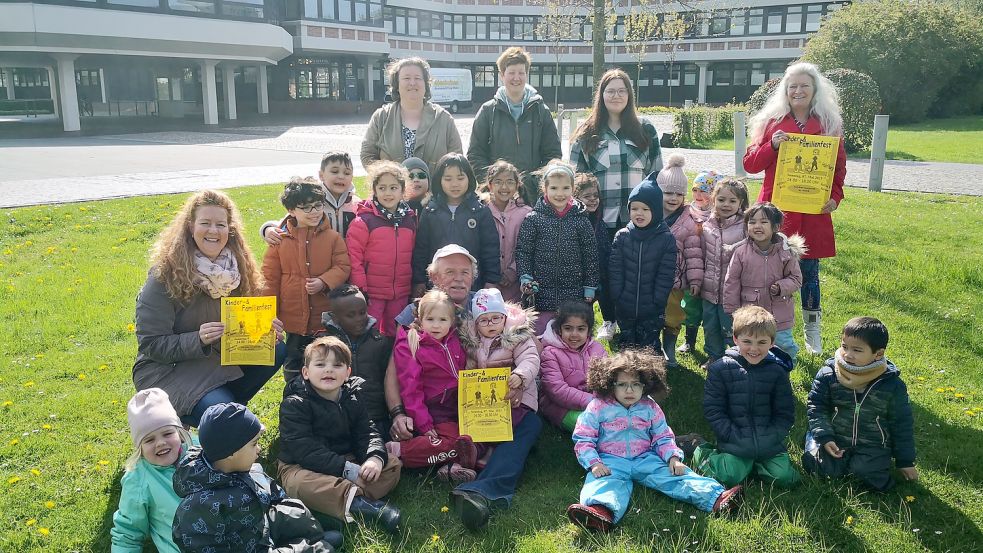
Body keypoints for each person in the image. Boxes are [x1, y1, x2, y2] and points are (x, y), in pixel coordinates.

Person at [133, 190, 283, 427]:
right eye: (205, 223)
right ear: (191, 227)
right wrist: (198, 338)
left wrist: (263, 330)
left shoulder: (237, 268)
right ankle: (216, 415)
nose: (213, 231)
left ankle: (227, 410)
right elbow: (151, 344)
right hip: (171, 369)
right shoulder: (164, 275)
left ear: (229, 230)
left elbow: (241, 325)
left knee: (279, 350)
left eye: (220, 224)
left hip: (219, 362)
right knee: (230, 423)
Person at [566, 350, 743, 532]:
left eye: (636, 384)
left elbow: (663, 436)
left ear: (646, 385)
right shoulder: (598, 407)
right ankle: (599, 513)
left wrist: (673, 458)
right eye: (622, 384)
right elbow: (584, 437)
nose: (629, 390)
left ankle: (717, 498)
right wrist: (594, 463)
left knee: (674, 476)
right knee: (603, 482)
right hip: (610, 460)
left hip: (645, 457)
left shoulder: (649, 406)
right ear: (610, 385)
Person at [744, 62, 847, 356]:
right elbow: (750, 164)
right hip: (776, 213)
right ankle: (766, 329)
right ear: (785, 91)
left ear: (815, 90)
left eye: (804, 85)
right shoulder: (771, 122)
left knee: (809, 272)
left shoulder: (829, 124)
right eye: (792, 86)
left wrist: (835, 198)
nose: (798, 91)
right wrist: (771, 147)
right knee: (768, 271)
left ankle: (811, 329)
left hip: (813, 212)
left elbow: (838, 170)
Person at [172, 403, 338, 553]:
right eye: (254, 444)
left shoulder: (248, 469)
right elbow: (198, 545)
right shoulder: (199, 506)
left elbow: (274, 493)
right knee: (323, 548)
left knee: (291, 513)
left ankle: (314, 534)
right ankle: (314, 545)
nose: (259, 449)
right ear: (231, 452)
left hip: (262, 528)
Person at [277, 337, 402, 534]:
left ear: (347, 373)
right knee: (299, 484)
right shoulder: (295, 404)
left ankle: (334, 506)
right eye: (320, 364)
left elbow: (367, 431)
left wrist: (374, 458)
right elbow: (305, 450)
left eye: (337, 365)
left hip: (345, 459)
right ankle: (368, 508)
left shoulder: (352, 395)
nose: (329, 370)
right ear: (306, 372)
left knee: (392, 464)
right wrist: (350, 471)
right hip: (303, 466)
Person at [802, 317, 917, 491]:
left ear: (878, 354)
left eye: (857, 350)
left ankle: (861, 464)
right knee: (818, 467)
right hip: (835, 438)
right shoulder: (828, 375)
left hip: (872, 445)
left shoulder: (891, 385)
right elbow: (816, 407)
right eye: (844, 346)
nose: (848, 354)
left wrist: (905, 461)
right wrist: (825, 437)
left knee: (866, 475)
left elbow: (902, 423)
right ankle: (814, 441)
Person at [693, 306, 800, 488]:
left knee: (786, 478)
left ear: (772, 342)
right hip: (735, 440)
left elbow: (785, 412)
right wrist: (731, 435)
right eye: (747, 341)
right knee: (730, 476)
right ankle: (700, 450)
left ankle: (755, 464)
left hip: (768, 442)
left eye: (761, 342)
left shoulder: (778, 372)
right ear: (735, 339)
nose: (754, 348)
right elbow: (714, 410)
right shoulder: (720, 369)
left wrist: (773, 436)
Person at [261, 177, 352, 384]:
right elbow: (269, 278)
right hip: (292, 320)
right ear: (291, 210)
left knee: (325, 360)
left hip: (324, 318)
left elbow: (343, 266)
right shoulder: (279, 240)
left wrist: (324, 281)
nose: (314, 212)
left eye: (317, 205)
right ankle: (294, 399)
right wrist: (267, 313)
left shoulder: (333, 238)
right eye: (306, 207)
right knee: (293, 364)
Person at [390, 290, 479, 473]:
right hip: (434, 409)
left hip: (459, 404)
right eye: (430, 320)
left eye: (442, 320)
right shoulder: (411, 343)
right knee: (457, 443)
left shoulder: (455, 338)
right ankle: (400, 451)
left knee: (475, 437)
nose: (436, 326)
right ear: (420, 319)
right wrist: (424, 423)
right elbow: (410, 388)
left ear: (452, 321)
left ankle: (451, 465)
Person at [467, 47, 562, 206]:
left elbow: (552, 154)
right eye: (511, 72)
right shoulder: (487, 112)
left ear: (527, 75)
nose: (516, 78)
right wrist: (496, 183)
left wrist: (533, 184)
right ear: (502, 75)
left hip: (533, 198)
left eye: (521, 72)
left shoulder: (541, 111)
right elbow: (475, 155)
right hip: (497, 199)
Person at [570, 69, 662, 230]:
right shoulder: (586, 133)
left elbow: (657, 176)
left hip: (638, 222)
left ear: (629, 95)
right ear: (602, 95)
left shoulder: (645, 128)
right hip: (599, 223)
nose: (616, 96)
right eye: (610, 91)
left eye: (621, 91)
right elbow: (575, 182)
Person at [515, 160, 599, 335]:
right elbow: (524, 251)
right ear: (545, 189)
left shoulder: (581, 220)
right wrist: (525, 277)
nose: (559, 194)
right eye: (554, 188)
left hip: (573, 293)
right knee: (542, 336)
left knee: (569, 334)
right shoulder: (534, 219)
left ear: (572, 189)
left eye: (565, 188)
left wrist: (589, 286)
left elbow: (590, 255)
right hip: (541, 293)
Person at [462, 288, 540, 471]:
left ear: (504, 317)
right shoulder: (474, 343)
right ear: (476, 324)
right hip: (487, 399)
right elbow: (470, 366)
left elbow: (530, 358)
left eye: (495, 318)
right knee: (478, 423)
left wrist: (520, 375)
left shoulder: (517, 338)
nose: (490, 324)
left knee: (510, 421)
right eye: (483, 320)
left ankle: (486, 452)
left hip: (517, 398)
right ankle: (473, 451)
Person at [111, 389, 194, 553]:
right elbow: (128, 531)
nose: (161, 443)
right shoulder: (139, 479)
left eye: (168, 433)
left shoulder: (199, 450)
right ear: (139, 447)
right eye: (149, 439)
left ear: (179, 432)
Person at [723, 202, 805, 362]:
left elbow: (796, 279)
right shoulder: (741, 252)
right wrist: (733, 310)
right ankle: (754, 371)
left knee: (783, 345)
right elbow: (731, 282)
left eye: (763, 222)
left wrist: (781, 287)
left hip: (779, 313)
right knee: (752, 345)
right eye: (752, 222)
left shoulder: (785, 251)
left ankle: (785, 370)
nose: (757, 226)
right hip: (750, 312)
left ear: (775, 227)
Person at [412, 153, 501, 296]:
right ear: (439, 181)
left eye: (460, 178)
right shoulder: (430, 211)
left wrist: (491, 280)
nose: (455, 184)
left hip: (472, 284)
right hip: (438, 285)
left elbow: (490, 248)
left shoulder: (480, 211)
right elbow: (421, 249)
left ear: (470, 179)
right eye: (448, 179)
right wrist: (419, 280)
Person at [346, 161, 417, 337]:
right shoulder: (364, 221)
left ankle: (393, 363)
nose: (388, 193)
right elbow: (354, 257)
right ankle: (371, 364)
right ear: (374, 190)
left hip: (400, 290)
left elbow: (414, 254)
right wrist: (360, 288)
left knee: (397, 331)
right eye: (382, 188)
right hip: (372, 291)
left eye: (393, 188)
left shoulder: (410, 219)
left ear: (402, 190)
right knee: (370, 331)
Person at [609, 174, 677, 354]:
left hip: (652, 308)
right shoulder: (622, 236)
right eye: (635, 208)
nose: (639, 213)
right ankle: (626, 376)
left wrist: (658, 299)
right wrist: (617, 294)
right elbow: (615, 269)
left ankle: (650, 378)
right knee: (627, 344)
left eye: (645, 209)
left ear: (656, 211)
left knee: (649, 346)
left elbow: (666, 273)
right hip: (625, 304)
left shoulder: (666, 239)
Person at [360, 57, 463, 170]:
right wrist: (390, 179)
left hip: (434, 187)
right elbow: (367, 155)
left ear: (426, 84)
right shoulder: (381, 117)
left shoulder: (444, 118)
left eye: (418, 78)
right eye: (407, 78)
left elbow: (456, 159)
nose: (412, 83)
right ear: (397, 85)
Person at [319, 285, 396, 437]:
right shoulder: (323, 345)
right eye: (351, 315)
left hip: (376, 417)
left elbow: (390, 381)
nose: (359, 319)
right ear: (335, 317)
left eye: (362, 313)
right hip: (337, 419)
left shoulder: (379, 342)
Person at [658, 154, 705, 367]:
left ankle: (669, 349)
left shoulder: (688, 221)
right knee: (652, 313)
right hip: (650, 278)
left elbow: (694, 254)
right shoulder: (649, 216)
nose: (673, 198)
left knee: (673, 315)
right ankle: (652, 347)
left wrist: (695, 280)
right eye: (668, 193)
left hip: (675, 280)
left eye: (678, 193)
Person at [699, 178, 750, 368]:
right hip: (709, 287)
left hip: (733, 290)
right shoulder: (707, 225)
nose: (726, 205)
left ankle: (735, 357)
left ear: (741, 204)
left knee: (731, 326)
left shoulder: (745, 227)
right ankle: (714, 356)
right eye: (721, 200)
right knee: (710, 325)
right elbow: (702, 253)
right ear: (713, 200)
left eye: (732, 201)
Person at [539, 300, 608, 431]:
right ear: (559, 329)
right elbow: (557, 390)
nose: (574, 334)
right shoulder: (550, 353)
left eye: (581, 329)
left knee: (618, 419)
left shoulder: (597, 348)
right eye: (568, 328)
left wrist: (602, 399)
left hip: (596, 402)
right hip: (560, 408)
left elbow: (608, 378)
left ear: (588, 331)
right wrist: (592, 401)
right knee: (594, 427)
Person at [262, 152, 360, 243]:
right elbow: (290, 220)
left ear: (352, 176)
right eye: (335, 171)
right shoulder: (313, 201)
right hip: (318, 257)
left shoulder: (357, 204)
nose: (341, 176)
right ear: (321, 175)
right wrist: (267, 229)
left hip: (348, 259)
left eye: (347, 173)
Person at [677, 170, 720, 355]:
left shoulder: (719, 215)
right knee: (691, 306)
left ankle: (715, 344)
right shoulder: (687, 212)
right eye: (695, 189)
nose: (698, 195)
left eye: (705, 190)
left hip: (713, 269)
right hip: (691, 267)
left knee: (711, 310)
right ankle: (689, 341)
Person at [481, 160, 532, 302]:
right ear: (490, 185)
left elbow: (528, 247)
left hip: (516, 284)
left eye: (510, 182)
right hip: (488, 282)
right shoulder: (481, 211)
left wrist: (513, 271)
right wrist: (492, 274)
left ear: (517, 185)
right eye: (498, 182)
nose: (504, 187)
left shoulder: (526, 214)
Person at [574, 173, 616, 341]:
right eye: (587, 196)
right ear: (576, 198)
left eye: (595, 196)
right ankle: (587, 329)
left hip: (602, 269)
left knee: (607, 298)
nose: (592, 200)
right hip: (583, 273)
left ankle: (610, 322)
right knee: (586, 304)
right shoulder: (577, 220)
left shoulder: (599, 219)